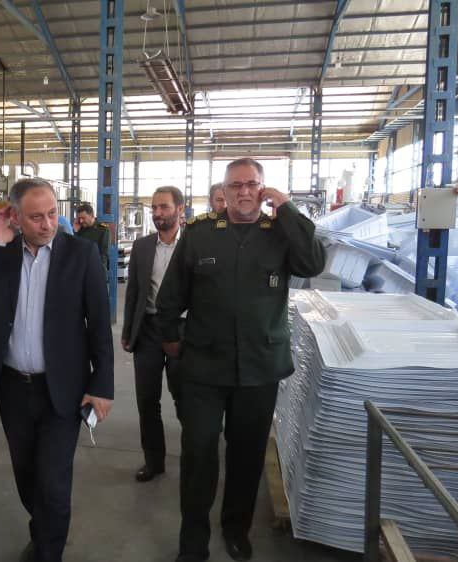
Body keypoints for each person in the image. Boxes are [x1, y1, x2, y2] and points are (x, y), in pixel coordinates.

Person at [157, 158, 325, 562]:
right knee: (198, 452)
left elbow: (313, 263)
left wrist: (287, 209)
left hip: (259, 366)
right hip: (204, 366)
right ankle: (193, 541)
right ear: (224, 191)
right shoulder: (200, 234)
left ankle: (236, 529)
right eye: (235, 185)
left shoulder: (280, 233)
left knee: (246, 455)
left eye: (252, 184)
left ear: (263, 189)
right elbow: (171, 294)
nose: (244, 192)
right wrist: (171, 340)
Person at [0, 178, 114, 562]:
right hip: (13, 387)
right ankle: (42, 532)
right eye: (36, 217)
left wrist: (102, 385)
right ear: (15, 217)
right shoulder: (3, 254)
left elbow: (99, 324)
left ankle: (49, 552)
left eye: (52, 213)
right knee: (26, 474)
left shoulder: (80, 254)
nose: (47, 224)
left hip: (62, 387)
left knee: (53, 481)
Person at [121, 186, 185, 483]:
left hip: (183, 332)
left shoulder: (194, 245)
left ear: (180, 210)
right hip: (147, 330)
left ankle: (194, 459)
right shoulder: (143, 246)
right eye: (154, 208)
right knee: (147, 400)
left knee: (185, 399)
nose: (158, 213)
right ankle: (153, 461)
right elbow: (134, 291)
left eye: (164, 207)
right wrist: (128, 331)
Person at [74, 202, 110, 271]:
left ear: (91, 216)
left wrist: (101, 272)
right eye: (79, 218)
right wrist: (75, 231)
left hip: (95, 267)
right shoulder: (79, 228)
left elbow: (103, 254)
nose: (81, 221)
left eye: (83, 218)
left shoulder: (102, 229)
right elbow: (74, 249)